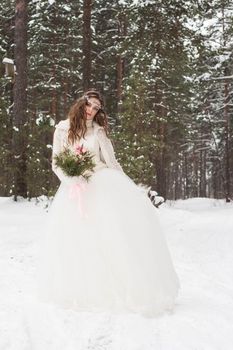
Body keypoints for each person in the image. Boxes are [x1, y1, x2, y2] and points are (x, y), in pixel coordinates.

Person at [36, 89, 180, 318]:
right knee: (77, 239)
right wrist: (71, 180)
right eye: (89, 105)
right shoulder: (63, 129)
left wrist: (130, 188)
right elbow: (56, 162)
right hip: (74, 187)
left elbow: (112, 162)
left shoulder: (99, 131)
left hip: (102, 183)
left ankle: (119, 287)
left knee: (113, 235)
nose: (92, 111)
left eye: (96, 108)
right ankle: (83, 289)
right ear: (81, 104)